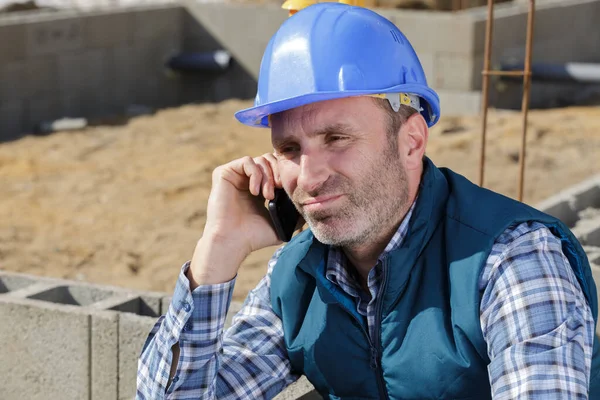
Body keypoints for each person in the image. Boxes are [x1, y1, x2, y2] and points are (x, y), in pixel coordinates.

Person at [137, 3, 600, 399]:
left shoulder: (511, 260)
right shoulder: (298, 276)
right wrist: (216, 253)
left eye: (337, 138)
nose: (310, 177)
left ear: (411, 142)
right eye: (290, 150)